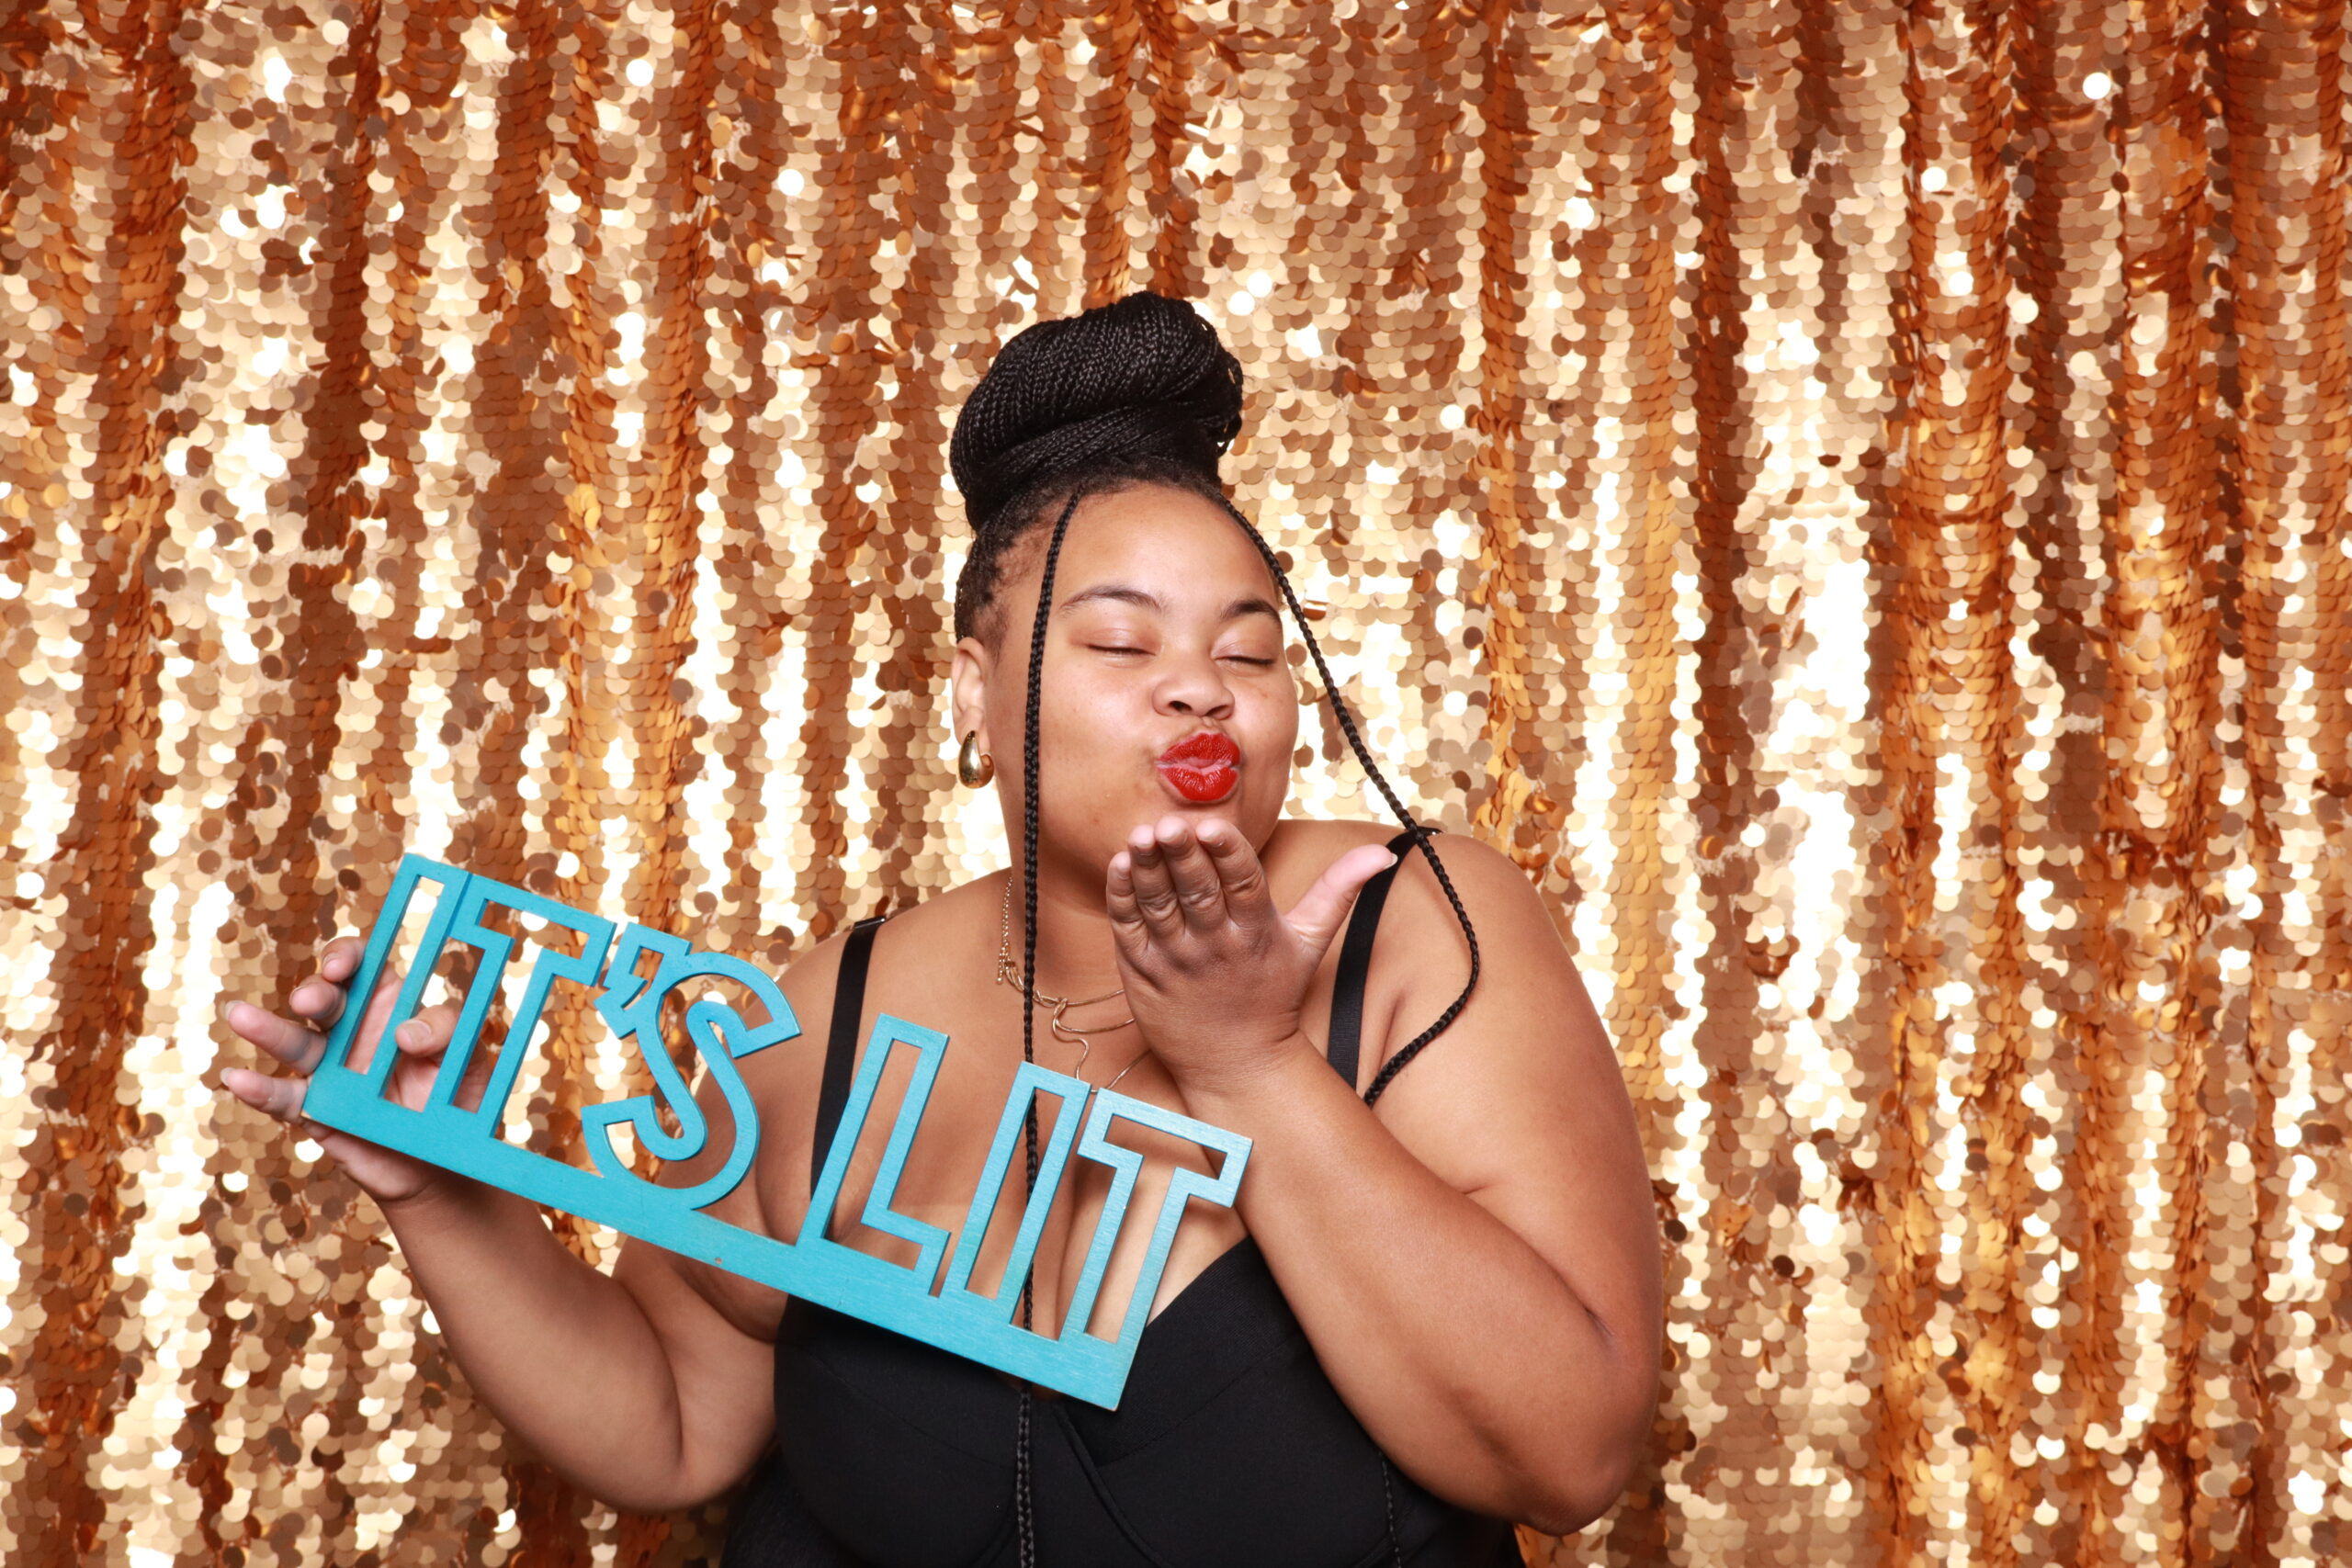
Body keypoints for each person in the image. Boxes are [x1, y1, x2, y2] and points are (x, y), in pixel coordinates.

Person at [221, 292, 1662, 1565]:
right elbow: (671, 1421)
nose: (1201, 689)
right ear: (974, 694)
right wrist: (439, 1194)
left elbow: (1570, 1456)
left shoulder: (1414, 922)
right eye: (1120, 641)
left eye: (1250, 651)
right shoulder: (830, 1014)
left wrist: (1252, 1067)